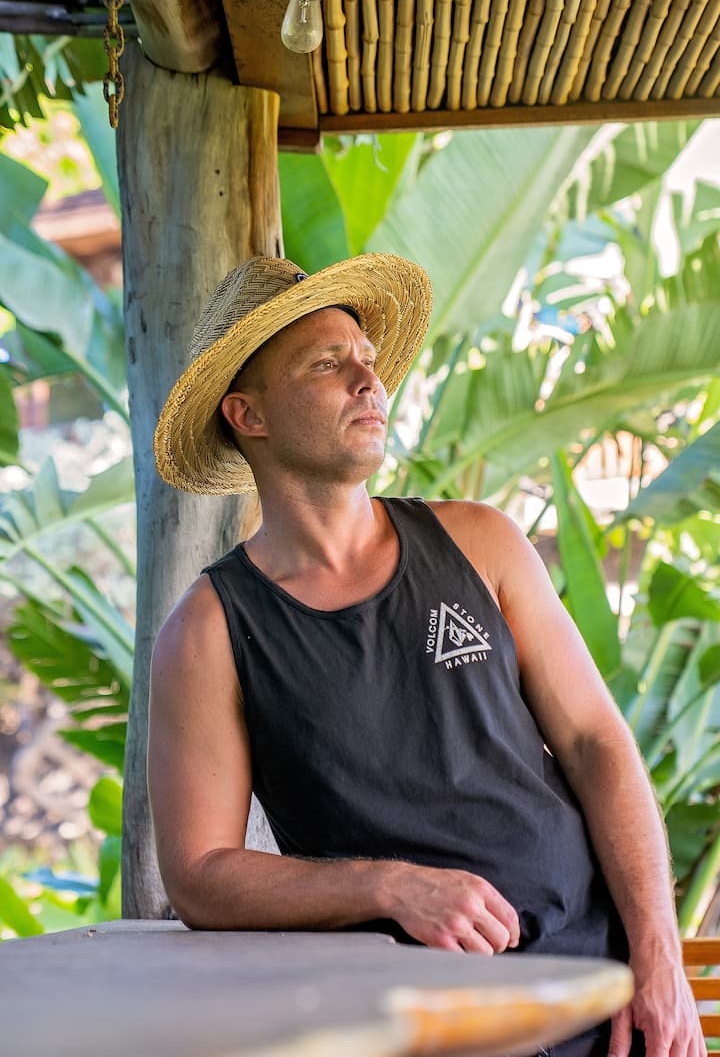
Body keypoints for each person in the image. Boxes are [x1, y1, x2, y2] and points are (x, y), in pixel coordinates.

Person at [149, 254, 703, 1057]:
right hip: (414, 1028)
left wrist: (659, 956)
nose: (368, 382)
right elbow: (200, 873)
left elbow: (596, 743)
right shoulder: (209, 632)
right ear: (248, 413)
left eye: (368, 360)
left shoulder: (481, 543)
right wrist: (389, 885)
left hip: (603, 1001)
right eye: (328, 364)